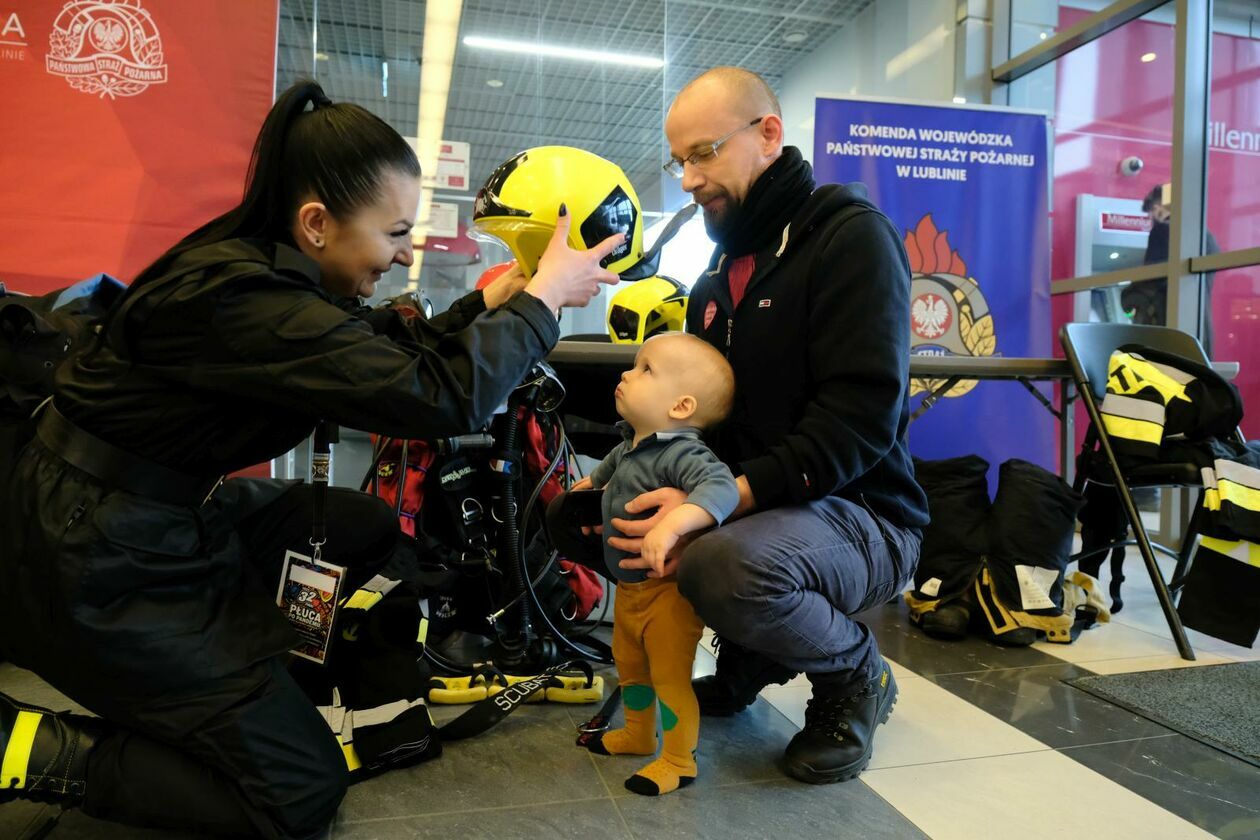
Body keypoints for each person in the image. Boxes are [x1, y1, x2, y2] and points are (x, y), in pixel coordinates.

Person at [0, 80, 625, 839]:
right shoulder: (242, 301)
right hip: (99, 557)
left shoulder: (263, 274)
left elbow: (384, 353)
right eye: (394, 232)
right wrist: (544, 300)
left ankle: (264, 693)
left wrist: (495, 304)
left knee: (354, 526)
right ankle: (27, 747)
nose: (402, 255)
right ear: (318, 223)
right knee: (296, 793)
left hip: (152, 515)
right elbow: (437, 398)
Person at [604, 67, 929, 786]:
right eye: (678, 160)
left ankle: (854, 675)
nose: (687, 179)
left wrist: (709, 507)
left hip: (866, 517)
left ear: (768, 135)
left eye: (704, 153)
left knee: (724, 564)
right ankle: (756, 651)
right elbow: (710, 430)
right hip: (771, 512)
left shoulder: (850, 239)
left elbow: (858, 424)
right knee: (619, 515)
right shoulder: (718, 280)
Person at [546, 332, 738, 796]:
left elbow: (723, 489)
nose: (627, 375)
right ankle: (637, 733)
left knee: (670, 679)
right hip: (628, 591)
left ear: (681, 406)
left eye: (645, 369)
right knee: (629, 667)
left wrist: (672, 528)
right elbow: (597, 480)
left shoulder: (685, 454)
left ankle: (678, 758)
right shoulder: (630, 444)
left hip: (667, 596)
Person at [1120, 182, 1219, 356]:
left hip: (1166, 329)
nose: (1152, 220)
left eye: (1152, 213)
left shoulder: (1162, 231)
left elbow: (1149, 280)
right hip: (1199, 330)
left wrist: (1126, 298)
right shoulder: (1207, 237)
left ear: (1158, 207)